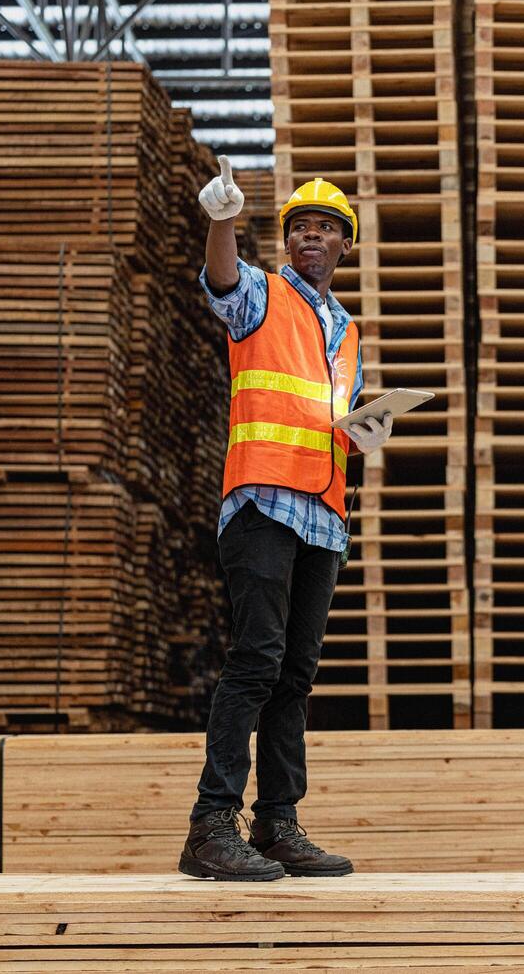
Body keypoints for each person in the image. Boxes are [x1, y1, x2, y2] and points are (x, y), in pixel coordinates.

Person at [179, 157, 393, 881]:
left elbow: (331, 415)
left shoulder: (348, 331)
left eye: (326, 229)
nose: (311, 236)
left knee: (295, 676)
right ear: (288, 240)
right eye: (301, 226)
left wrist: (363, 431)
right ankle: (212, 824)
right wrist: (222, 221)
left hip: (324, 516)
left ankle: (277, 823)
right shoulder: (264, 295)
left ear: (343, 245)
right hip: (264, 504)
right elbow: (221, 283)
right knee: (256, 662)